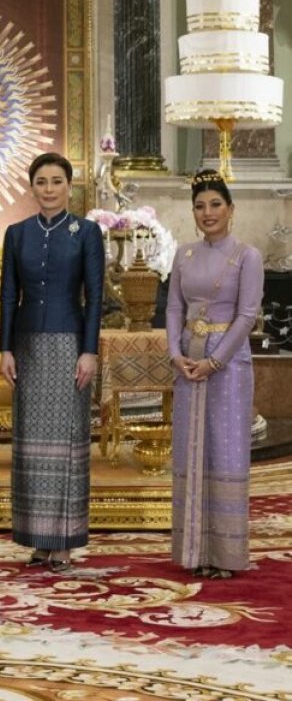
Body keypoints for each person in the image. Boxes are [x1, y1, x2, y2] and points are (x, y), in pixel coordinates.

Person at [0, 152, 104, 571]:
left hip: (70, 346)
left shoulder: (87, 232)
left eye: (56, 181)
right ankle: (38, 540)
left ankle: (62, 542)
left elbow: (95, 295)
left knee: (66, 443)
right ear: (31, 186)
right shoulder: (17, 233)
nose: (48, 189)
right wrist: (5, 348)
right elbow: (9, 294)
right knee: (31, 446)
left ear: (69, 185)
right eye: (41, 181)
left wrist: (90, 349)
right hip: (26, 346)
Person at [166, 169, 263, 580]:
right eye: (200, 207)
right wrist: (176, 354)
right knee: (192, 451)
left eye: (215, 205)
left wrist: (215, 361)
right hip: (188, 362)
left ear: (231, 209)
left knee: (224, 452)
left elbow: (247, 315)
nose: (208, 213)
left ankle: (224, 554)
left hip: (228, 365)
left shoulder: (247, 256)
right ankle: (193, 551)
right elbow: (172, 308)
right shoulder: (184, 254)